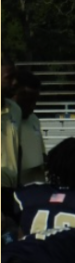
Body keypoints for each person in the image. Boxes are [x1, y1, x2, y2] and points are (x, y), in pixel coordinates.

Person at [13, 70, 47, 186]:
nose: (33, 106)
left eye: (35, 101)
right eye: (27, 100)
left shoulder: (34, 119)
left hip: (36, 189)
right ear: (14, 94)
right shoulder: (5, 121)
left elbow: (41, 154)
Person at [1, 57, 21, 190]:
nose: (15, 82)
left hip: (11, 188)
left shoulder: (15, 109)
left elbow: (18, 150)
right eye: (9, 78)